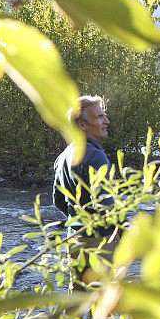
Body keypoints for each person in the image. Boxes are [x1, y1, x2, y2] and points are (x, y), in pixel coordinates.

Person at [52, 95, 120, 291]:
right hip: (101, 238)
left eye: (104, 116)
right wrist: (122, 230)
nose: (106, 121)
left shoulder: (63, 157)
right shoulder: (96, 156)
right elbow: (105, 203)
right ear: (82, 124)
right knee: (103, 300)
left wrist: (78, 219)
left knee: (77, 295)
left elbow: (58, 200)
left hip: (75, 236)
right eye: (99, 117)